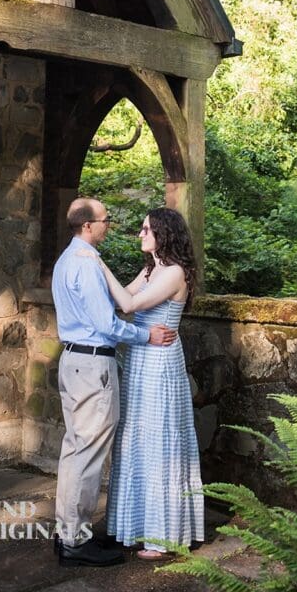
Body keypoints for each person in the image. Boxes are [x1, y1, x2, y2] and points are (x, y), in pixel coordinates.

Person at [52, 197, 177, 568]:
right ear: (88, 225)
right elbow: (108, 324)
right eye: (106, 220)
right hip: (91, 367)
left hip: (73, 361)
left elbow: (120, 301)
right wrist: (145, 337)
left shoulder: (67, 260)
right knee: (87, 454)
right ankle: (76, 542)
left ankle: (69, 534)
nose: (111, 224)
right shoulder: (87, 266)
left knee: (75, 450)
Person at [102, 207, 205, 560]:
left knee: (159, 441)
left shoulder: (174, 272)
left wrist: (96, 262)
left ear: (164, 233)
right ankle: (134, 527)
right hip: (141, 358)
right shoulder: (152, 268)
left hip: (160, 363)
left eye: (147, 229)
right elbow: (117, 304)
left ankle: (162, 536)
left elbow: (129, 303)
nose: (141, 234)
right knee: (136, 439)